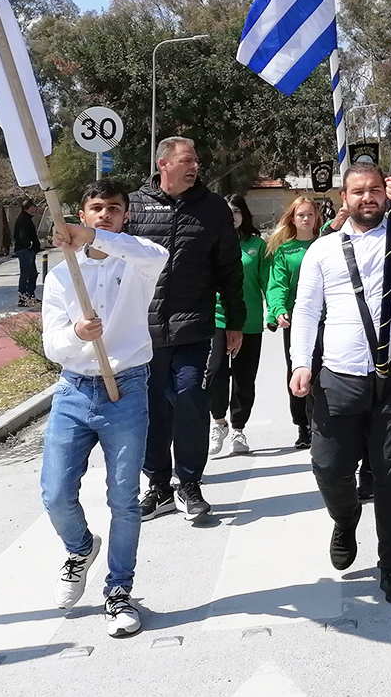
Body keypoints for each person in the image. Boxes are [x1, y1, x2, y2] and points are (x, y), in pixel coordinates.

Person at [290, 162, 391, 605]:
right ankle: (345, 517)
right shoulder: (323, 249)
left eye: (375, 189)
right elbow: (305, 309)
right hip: (338, 377)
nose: (368, 197)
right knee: (328, 468)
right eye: (358, 191)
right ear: (344, 198)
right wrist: (301, 363)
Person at [38, 180, 168, 639]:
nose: (105, 214)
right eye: (96, 208)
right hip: (73, 389)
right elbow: (52, 344)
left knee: (123, 498)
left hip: (126, 389)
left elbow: (155, 254)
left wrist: (93, 237)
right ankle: (79, 548)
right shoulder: (61, 277)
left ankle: (119, 591)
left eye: (114, 208)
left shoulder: (137, 263)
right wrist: (76, 333)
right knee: (55, 493)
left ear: (125, 216)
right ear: (82, 212)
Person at [124, 136, 245, 525]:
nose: (195, 167)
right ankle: (158, 486)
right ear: (164, 164)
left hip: (194, 328)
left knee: (191, 398)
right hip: (143, 331)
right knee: (152, 409)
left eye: (196, 161)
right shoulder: (134, 206)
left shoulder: (213, 209)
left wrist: (235, 321)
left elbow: (230, 269)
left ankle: (190, 484)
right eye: (187, 160)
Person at [207, 195, 266, 459]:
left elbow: (269, 281)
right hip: (217, 319)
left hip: (249, 321)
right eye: (227, 211)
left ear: (244, 215)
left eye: (237, 211)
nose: (232, 216)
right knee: (215, 371)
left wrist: (276, 309)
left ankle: (239, 429)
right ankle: (219, 422)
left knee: (244, 378)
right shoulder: (211, 243)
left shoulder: (257, 246)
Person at [264, 194, 323, 450]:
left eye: (310, 214)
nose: (306, 219)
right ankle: (303, 425)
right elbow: (276, 285)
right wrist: (278, 310)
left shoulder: (326, 244)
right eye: (301, 215)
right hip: (296, 320)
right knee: (298, 370)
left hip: (327, 318)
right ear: (293, 219)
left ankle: (321, 422)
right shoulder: (284, 252)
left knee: (324, 370)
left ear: (316, 217)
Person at [13, 199, 41, 309]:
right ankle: (23, 297)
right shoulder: (23, 220)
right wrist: (29, 246)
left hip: (27, 250)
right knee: (26, 273)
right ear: (28, 207)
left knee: (32, 273)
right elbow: (22, 236)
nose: (35, 208)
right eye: (34, 206)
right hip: (25, 250)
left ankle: (30, 296)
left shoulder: (27, 219)